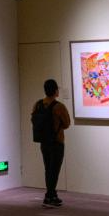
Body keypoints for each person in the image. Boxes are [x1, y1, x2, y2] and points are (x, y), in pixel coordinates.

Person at [31, 78, 71, 208]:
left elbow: (33, 120)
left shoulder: (37, 105)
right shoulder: (59, 107)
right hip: (57, 142)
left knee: (48, 169)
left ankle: (52, 194)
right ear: (55, 91)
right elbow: (67, 123)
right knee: (54, 170)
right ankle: (49, 196)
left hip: (44, 142)